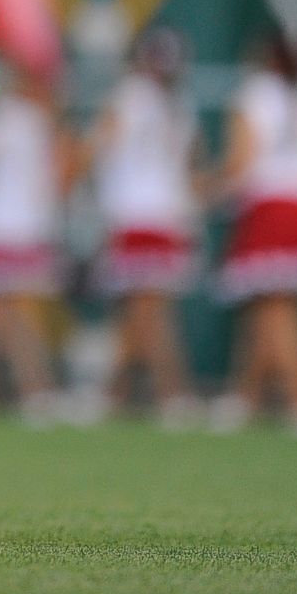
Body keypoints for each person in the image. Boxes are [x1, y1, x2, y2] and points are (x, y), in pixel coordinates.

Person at [209, 31, 297, 436]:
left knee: (277, 309)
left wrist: (204, 189)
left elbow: (240, 162)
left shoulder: (254, 94)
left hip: (269, 208)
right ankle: (245, 397)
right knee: (265, 309)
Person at [87, 27, 203, 428]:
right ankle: (121, 392)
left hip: (135, 213)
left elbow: (100, 143)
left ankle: (170, 392)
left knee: (145, 312)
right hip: (169, 215)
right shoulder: (178, 105)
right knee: (145, 311)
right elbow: (192, 164)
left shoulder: (129, 96)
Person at [0, 63, 73, 425]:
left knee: (4, 315)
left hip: (3, 225)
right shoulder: (37, 120)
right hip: (27, 226)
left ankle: (34, 388)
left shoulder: (4, 119)